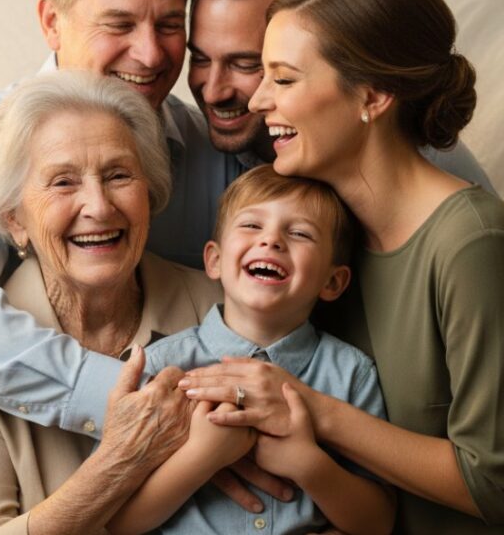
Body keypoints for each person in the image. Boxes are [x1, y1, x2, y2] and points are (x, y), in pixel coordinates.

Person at [185, 0, 504, 521]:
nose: (254, 102)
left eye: (280, 78)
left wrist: (308, 408)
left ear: (373, 96)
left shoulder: (473, 242)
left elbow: (498, 487)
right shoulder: (322, 232)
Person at [0, 69, 223, 534]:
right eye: (63, 182)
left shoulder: (220, 307)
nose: (99, 207)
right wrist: (120, 462)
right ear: (14, 220)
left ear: (150, 192)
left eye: (119, 174)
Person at [108, 165, 395, 535]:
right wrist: (202, 457)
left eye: (299, 233)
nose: (271, 241)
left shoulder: (353, 375)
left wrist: (308, 465)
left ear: (333, 281)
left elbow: (379, 523)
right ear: (214, 260)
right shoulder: (162, 367)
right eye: (251, 225)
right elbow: (118, 522)